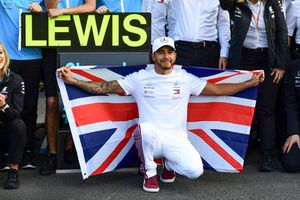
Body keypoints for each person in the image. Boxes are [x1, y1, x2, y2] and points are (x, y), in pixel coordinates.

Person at [58, 36, 264, 192]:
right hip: (150, 138)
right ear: (153, 56)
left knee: (195, 172)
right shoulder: (139, 78)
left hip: (177, 138)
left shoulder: (186, 79)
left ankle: (168, 163)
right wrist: (74, 81)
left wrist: (250, 83)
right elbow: (103, 87)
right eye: (161, 52)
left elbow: (219, 90)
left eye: (170, 52)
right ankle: (149, 172)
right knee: (144, 129)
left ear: (175, 55)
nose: (166, 56)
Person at [220, 0, 289, 172]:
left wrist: (280, 64)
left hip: (267, 59)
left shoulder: (272, 4)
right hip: (243, 59)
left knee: (266, 108)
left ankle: (267, 155)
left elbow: (282, 32)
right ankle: (236, 152)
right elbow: (223, 4)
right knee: (239, 108)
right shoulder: (236, 4)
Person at [39, 0, 97, 176]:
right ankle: (52, 152)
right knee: (51, 102)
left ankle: (71, 147)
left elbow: (90, 6)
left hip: (79, 40)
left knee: (76, 97)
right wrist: (58, 10)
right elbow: (50, 8)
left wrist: (64, 12)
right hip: (51, 42)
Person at [0, 0, 44, 169]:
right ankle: (6, 152)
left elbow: (54, 11)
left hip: (32, 57)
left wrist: (41, 9)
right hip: (6, 58)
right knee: (5, 106)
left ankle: (28, 152)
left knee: (29, 108)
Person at [169, 0, 230, 69]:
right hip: (182, 50)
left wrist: (224, 54)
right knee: (179, 79)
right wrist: (170, 49)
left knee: (208, 79)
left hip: (209, 52)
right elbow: (171, 19)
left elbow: (223, 24)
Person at [0, 43, 26, 189]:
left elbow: (17, 113)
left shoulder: (16, 79)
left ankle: (13, 171)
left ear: (5, 56)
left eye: (0, 52)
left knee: (19, 124)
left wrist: (4, 106)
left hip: (6, 130)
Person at [282, 59, 300, 172]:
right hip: (297, 128)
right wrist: (294, 132)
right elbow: (290, 104)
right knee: (290, 164)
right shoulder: (293, 66)